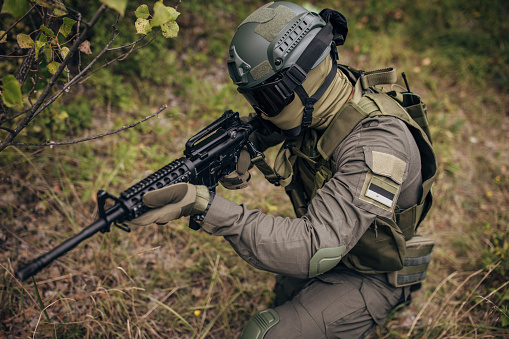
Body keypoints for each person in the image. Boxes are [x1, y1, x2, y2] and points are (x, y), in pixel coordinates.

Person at [128, 2, 437, 338]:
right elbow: (267, 128)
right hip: (344, 245)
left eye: (267, 100)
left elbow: (314, 248)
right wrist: (244, 149)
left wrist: (206, 206)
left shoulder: (376, 146)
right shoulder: (327, 98)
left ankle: (388, 299)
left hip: (373, 270)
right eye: (253, 101)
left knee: (265, 333)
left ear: (302, 82)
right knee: (286, 293)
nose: (261, 114)